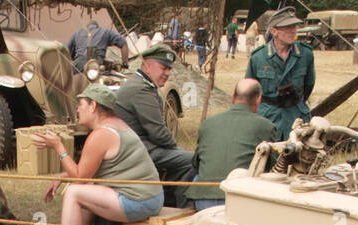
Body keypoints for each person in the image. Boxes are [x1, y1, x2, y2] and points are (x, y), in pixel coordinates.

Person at [30, 83, 162, 225]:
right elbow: (94, 169)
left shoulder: (101, 135)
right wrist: (64, 175)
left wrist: (58, 147)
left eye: (80, 104)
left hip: (139, 202)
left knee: (75, 192)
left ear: (93, 106)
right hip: (151, 197)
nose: (77, 109)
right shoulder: (117, 126)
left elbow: (81, 178)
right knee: (84, 187)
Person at [112, 42, 197, 207]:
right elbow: (159, 133)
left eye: (169, 69)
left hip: (138, 147)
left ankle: (167, 199)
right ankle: (180, 207)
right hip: (138, 150)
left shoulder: (142, 84)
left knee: (181, 159)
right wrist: (177, 149)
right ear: (146, 66)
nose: (167, 73)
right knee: (193, 159)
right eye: (163, 67)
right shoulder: (141, 90)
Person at [185, 79, 276, 210]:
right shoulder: (266, 126)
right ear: (258, 100)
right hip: (239, 201)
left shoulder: (208, 123)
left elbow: (196, 163)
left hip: (203, 201)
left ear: (233, 98)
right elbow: (272, 168)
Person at [246, 9, 315, 140]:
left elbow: (309, 85)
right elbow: (250, 90)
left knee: (298, 156)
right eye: (287, 27)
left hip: (297, 117)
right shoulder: (258, 57)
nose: (293, 31)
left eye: (294, 26)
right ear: (274, 31)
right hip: (268, 117)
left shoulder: (306, 54)